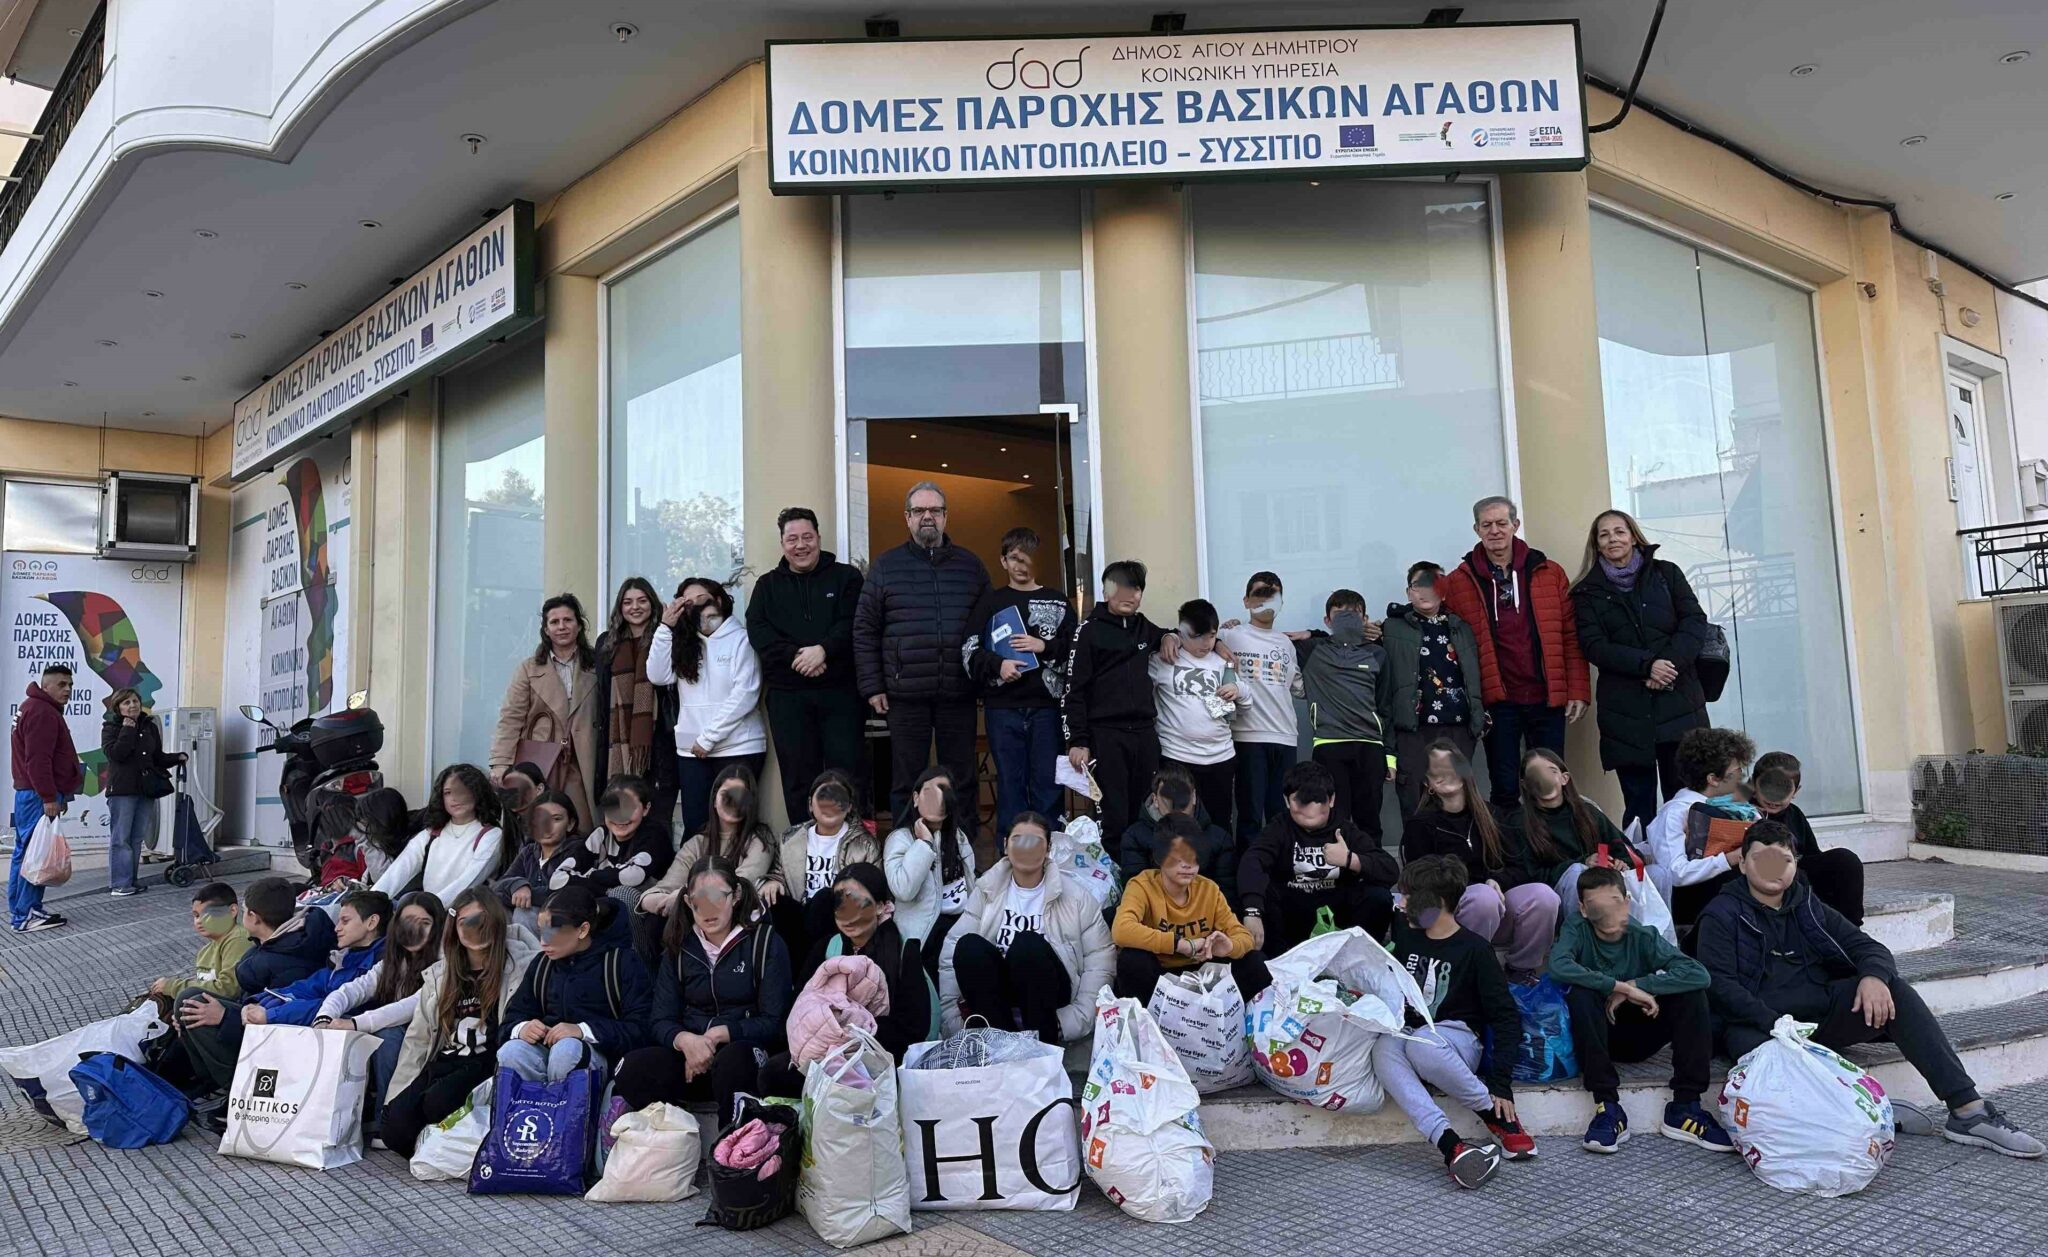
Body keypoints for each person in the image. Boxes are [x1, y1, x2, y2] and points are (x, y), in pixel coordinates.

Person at [1696, 821, 2044, 1158]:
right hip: (1761, 1027)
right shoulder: (1721, 914)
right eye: (1762, 859)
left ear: (1794, 865)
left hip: (1818, 1015)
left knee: (1897, 992)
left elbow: (1868, 947)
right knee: (1765, 1055)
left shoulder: (1807, 905)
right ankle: (1871, 1109)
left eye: (1783, 860)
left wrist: (1874, 977)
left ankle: (1968, 1111)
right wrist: (1778, 1025)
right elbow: (1720, 985)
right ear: (1743, 864)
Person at [1548, 864, 1728, 1155]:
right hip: (1596, 1035)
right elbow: (1558, 965)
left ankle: (1686, 1105)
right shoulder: (1577, 928)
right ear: (1583, 909)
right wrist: (1618, 987)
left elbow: (1698, 974)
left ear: (1626, 902)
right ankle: (1608, 1107)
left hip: (1641, 1029)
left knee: (1691, 995)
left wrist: (1639, 984)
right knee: (1581, 994)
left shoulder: (1642, 935)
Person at [1375, 855, 1529, 1187]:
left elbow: (1505, 1017)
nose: (1401, 904)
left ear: (1437, 902)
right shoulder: (1406, 935)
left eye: (1408, 896)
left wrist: (1500, 1085)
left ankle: (1494, 1114)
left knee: (1423, 1047)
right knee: (1382, 1049)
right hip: (1411, 1032)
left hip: (1455, 1041)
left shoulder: (1475, 949)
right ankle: (1451, 1146)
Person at [1436, 496, 1590, 809]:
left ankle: (1552, 840)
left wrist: (1577, 690)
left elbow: (1570, 636)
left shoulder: (1549, 572)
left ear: (1515, 525)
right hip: (1498, 701)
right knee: (1504, 787)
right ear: (1476, 529)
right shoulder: (1458, 581)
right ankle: (1509, 842)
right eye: (1486, 525)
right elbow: (1431, 619)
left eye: (1501, 523)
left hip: (1546, 696)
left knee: (1550, 785)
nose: (1494, 531)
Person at [613, 860, 792, 1126]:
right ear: (687, 901)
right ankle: (673, 1134)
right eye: (699, 900)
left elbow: (775, 1022)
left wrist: (718, 1035)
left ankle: (731, 1142)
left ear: (736, 895)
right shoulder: (679, 947)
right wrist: (686, 1041)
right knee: (632, 1067)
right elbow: (660, 1019)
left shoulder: (765, 943)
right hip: (690, 1059)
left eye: (717, 897)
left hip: (744, 1055)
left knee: (735, 1060)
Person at [854, 481, 991, 823]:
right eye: (919, 510)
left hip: (958, 691)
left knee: (961, 778)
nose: (927, 516)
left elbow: (989, 627)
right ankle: (904, 847)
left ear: (945, 517)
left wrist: (984, 678)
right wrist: (873, 686)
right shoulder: (885, 567)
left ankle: (961, 847)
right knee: (906, 781)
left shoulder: (971, 566)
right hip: (904, 695)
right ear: (907, 518)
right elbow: (865, 629)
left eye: (935, 510)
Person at [1572, 510, 1712, 827]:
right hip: (1626, 715)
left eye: (1619, 531)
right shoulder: (1585, 592)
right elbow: (1594, 646)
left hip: (1679, 704)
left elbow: (1694, 622)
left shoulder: (1667, 574)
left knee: (1687, 806)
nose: (1613, 539)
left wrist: (1668, 666)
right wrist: (1648, 666)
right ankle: (1641, 861)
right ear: (1596, 543)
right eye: (1604, 534)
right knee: (1638, 810)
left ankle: (1687, 861)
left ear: (1633, 537)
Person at [381, 890, 540, 1158]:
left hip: (488, 1062)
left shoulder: (520, 966)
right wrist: (396, 1096)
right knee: (393, 1130)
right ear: (454, 927)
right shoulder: (442, 974)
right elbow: (418, 1040)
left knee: (436, 1103)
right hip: (446, 1059)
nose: (474, 928)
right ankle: (438, 1144)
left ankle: (445, 1141)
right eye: (465, 921)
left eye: (481, 920)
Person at [940, 812, 1114, 1045]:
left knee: (1027, 946)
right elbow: (952, 951)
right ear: (1005, 845)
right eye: (1018, 840)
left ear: (1048, 849)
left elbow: (1099, 962)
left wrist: (1071, 1021)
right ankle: (1001, 1046)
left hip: (1049, 996)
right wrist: (954, 1022)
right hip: (998, 997)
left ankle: (1041, 1047)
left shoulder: (1077, 898)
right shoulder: (987, 890)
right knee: (968, 947)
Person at [749, 507, 867, 826]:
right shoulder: (767, 586)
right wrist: (798, 657)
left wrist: (824, 650)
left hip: (841, 695)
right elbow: (759, 632)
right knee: (798, 777)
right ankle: (804, 843)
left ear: (818, 538)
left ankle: (852, 841)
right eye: (792, 539)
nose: (800, 545)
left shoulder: (847, 578)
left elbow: (853, 623)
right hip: (788, 697)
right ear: (782, 543)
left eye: (807, 537)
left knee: (848, 772)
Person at [1402, 741, 1558, 981]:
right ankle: (1470, 971)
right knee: (1483, 898)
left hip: (1498, 908)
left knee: (1544, 896)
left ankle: (1521, 970)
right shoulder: (1420, 825)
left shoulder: (1493, 815)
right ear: (1428, 783)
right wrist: (1470, 888)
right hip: (1450, 916)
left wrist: (1497, 880)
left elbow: (1522, 867)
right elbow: (1418, 883)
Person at [172, 877, 337, 1096]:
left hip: (271, 1046)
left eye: (244, 911)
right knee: (188, 1002)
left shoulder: (290, 958)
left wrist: (226, 1016)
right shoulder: (277, 943)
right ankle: (205, 1081)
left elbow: (281, 1023)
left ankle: (238, 1090)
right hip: (251, 1020)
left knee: (193, 1001)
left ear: (254, 917)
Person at [964, 526, 1076, 838]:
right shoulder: (991, 603)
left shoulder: (1058, 602)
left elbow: (1078, 652)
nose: (1021, 564)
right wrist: (998, 665)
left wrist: (1045, 647)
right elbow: (969, 651)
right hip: (1003, 709)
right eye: (1014, 557)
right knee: (1010, 787)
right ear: (1003, 561)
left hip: (1047, 709)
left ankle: (1049, 853)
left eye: (1028, 557)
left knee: (1048, 786)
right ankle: (1010, 856)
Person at [1064, 560, 1180, 844]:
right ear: (1106, 591)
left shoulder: (1143, 627)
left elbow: (1175, 634)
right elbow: (1073, 691)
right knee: (1112, 817)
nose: (1130, 595)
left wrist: (1169, 636)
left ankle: (1141, 871)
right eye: (1121, 588)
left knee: (1147, 812)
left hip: (1144, 734)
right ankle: (1114, 872)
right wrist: (1078, 741)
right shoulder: (1088, 630)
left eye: (1136, 588)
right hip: (1106, 736)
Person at [314, 890, 446, 1134]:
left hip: (435, 1040)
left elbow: (411, 1007)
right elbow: (353, 989)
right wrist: (324, 1017)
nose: (415, 929)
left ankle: (385, 1119)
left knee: (388, 1034)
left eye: (425, 923)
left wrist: (356, 1023)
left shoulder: (445, 961)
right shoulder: (394, 960)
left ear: (437, 927)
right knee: (343, 1025)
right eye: (408, 921)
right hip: (404, 1035)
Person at [648, 577, 768, 839]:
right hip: (692, 751)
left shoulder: (742, 639)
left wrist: (709, 738)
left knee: (735, 824)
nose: (696, 606)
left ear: (719, 601)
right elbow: (657, 675)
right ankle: (699, 867)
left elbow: (745, 694)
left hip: (738, 748)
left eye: (701, 599)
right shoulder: (684, 642)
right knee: (696, 826)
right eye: (688, 602)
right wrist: (665, 628)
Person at [499, 883, 654, 1084]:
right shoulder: (541, 965)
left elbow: (642, 1029)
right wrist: (522, 1028)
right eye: (541, 931)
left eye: (553, 931)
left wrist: (583, 1031)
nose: (543, 941)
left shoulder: (621, 962)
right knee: (511, 1052)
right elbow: (510, 1021)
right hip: (546, 1053)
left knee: (567, 1052)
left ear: (582, 930)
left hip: (600, 1059)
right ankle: (528, 1105)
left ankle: (574, 1105)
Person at [1237, 760, 1396, 955]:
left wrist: (1350, 859)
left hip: (1336, 914)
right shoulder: (1279, 827)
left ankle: (1360, 957)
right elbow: (1252, 861)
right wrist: (1252, 911)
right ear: (1287, 801)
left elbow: (1389, 869)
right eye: (1301, 801)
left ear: (1331, 799)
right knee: (1258, 890)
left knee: (1378, 896)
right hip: (1292, 913)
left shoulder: (1344, 829)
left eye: (1318, 800)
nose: (1310, 808)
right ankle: (1277, 962)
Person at [1111, 816, 1268, 1003]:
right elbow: (1121, 930)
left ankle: (1237, 1017)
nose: (1187, 865)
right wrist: (1179, 944)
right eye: (1178, 857)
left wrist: (1229, 946)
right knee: (1132, 961)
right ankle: (1147, 1019)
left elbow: (1244, 937)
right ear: (1159, 857)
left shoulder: (1209, 889)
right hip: (1159, 977)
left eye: (1194, 857)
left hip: (1204, 976)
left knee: (1255, 961)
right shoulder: (1142, 885)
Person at [636, 764, 779, 962]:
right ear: (714, 800)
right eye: (727, 795)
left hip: (735, 918)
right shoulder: (696, 843)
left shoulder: (760, 839)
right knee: (654, 921)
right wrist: (662, 900)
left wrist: (685, 895)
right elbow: (663, 888)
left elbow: (742, 881)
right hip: (693, 916)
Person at [795, 862, 935, 1059]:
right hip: (825, 1050)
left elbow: (914, 1027)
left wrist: (857, 1033)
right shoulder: (827, 948)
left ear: (880, 906)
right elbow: (800, 1007)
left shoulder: (903, 952)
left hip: (883, 1056)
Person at [1381, 565, 1485, 820]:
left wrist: (1480, 718)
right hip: (1413, 727)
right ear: (1409, 592)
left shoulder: (1462, 627)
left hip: (1458, 726)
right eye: (1418, 585)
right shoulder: (1391, 628)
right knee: (1414, 799)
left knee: (1458, 799)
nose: (1425, 591)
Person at [491, 592, 600, 831]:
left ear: (579, 625)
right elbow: (511, 718)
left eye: (568, 620)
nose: (562, 627)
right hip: (541, 758)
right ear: (546, 629)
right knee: (538, 823)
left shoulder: (597, 664)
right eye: (554, 622)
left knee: (581, 826)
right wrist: (500, 762)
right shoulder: (528, 669)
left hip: (583, 760)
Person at [1296, 589, 1396, 838]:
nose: (1347, 621)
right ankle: (1336, 864)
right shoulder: (1311, 649)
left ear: (1365, 619)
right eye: (1340, 615)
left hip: (1370, 747)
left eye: (1353, 615)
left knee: (1369, 820)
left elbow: (1386, 706)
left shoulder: (1378, 653)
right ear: (1328, 620)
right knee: (1332, 819)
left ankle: (1370, 862)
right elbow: (1265, 640)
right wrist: (1225, 635)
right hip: (1329, 744)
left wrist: (1390, 757)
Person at [1503, 748, 1638, 918]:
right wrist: (1582, 863)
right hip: (1552, 900)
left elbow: (1625, 849)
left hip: (1602, 884)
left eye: (1552, 771)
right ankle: (1579, 932)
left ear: (1564, 778)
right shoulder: (1519, 822)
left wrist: (1621, 863)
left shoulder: (1588, 812)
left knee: (1657, 873)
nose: (1545, 779)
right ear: (1525, 784)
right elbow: (1528, 874)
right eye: (1535, 775)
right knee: (1577, 872)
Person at [1221, 571, 1302, 847]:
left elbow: (1298, 688)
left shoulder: (1286, 644)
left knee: (1282, 815)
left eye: (1273, 595)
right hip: (1248, 737)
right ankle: (1249, 872)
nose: (1266, 601)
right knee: (1250, 816)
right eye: (1260, 594)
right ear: (1246, 601)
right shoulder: (1229, 635)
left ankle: (1279, 871)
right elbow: (1196, 641)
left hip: (1285, 737)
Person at [593, 576, 680, 831]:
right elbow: (603, 693)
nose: (635, 607)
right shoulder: (606, 643)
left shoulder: (665, 637)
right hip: (617, 742)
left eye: (642, 601)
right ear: (620, 607)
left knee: (658, 818)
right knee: (621, 812)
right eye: (628, 602)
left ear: (652, 603)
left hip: (659, 742)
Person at [1644, 727, 1754, 927]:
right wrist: (1729, 858)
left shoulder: (1735, 804)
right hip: (1699, 912)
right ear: (1713, 779)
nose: (1742, 777)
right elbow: (1675, 873)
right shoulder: (1675, 813)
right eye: (1737, 771)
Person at [1151, 598, 1244, 829]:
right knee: (1176, 825)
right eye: (1197, 636)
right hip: (1177, 756)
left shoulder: (1222, 662)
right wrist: (1168, 637)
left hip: (1220, 756)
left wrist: (1238, 690)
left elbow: (1246, 700)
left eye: (1211, 636)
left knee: (1218, 825)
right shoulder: (1162, 659)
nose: (1205, 643)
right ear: (1181, 632)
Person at [242, 888, 390, 1026]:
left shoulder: (383, 963)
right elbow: (307, 987)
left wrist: (271, 1014)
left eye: (345, 921)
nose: (337, 928)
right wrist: (259, 1002)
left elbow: (332, 1007)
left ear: (372, 922)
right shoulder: (344, 958)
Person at [883, 766, 979, 975]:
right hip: (925, 933)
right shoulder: (900, 839)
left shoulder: (959, 837)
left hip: (961, 924)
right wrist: (924, 844)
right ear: (916, 799)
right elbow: (903, 890)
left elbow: (972, 887)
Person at [776, 768, 884, 947]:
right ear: (811, 804)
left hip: (838, 921)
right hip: (799, 918)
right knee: (776, 902)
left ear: (849, 806)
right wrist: (772, 881)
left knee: (824, 898)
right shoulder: (790, 838)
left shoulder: (865, 844)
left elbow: (874, 890)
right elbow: (777, 873)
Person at [1752, 752, 1865, 923]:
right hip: (1768, 878)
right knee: (1792, 872)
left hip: (1800, 874)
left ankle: (1849, 928)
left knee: (1845, 861)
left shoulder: (1794, 814)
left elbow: (1813, 855)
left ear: (1795, 791)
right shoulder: (1745, 814)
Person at [373, 763, 506, 905]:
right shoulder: (430, 835)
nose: (454, 798)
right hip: (429, 912)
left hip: (466, 912)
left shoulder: (491, 835)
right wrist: (370, 900)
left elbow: (470, 880)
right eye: (447, 793)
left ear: (477, 793)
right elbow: (398, 871)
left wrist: (431, 907)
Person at [10, 663, 79, 931]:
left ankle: (23, 910)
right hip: (37, 795)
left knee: (26, 853)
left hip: (30, 793)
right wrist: (49, 797)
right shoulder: (42, 712)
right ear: (45, 685)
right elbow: (38, 760)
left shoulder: (33, 707)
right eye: (61, 684)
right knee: (35, 854)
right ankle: (25, 914)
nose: (68, 689)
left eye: (70, 685)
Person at [100, 686, 186, 897]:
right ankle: (120, 884)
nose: (132, 706)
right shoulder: (111, 728)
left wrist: (177, 758)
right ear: (118, 708)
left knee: (137, 837)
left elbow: (157, 757)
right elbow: (117, 754)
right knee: (121, 838)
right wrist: (127, 730)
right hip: (122, 790)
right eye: (126, 702)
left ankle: (132, 880)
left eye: (135, 701)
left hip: (145, 789)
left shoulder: (149, 726)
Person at [548, 774, 675, 907]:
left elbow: (634, 875)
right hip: (599, 905)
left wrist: (590, 876)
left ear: (645, 809)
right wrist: (603, 889)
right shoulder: (601, 834)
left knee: (623, 894)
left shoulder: (654, 835)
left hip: (647, 911)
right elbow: (557, 879)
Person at [1117, 767, 1236, 905]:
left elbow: (1226, 899)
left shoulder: (1219, 840)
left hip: (1204, 912)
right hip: (1153, 911)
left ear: (1193, 797)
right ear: (1155, 800)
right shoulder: (1135, 837)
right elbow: (1135, 892)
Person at [146, 882, 252, 1007]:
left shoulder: (238, 939)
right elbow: (204, 985)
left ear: (232, 911)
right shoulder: (206, 951)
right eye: (196, 915)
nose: (199, 921)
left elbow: (228, 989)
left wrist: (173, 986)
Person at [494, 788, 580, 932]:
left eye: (556, 819)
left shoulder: (578, 850)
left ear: (570, 824)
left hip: (563, 923)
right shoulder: (528, 852)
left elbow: (565, 892)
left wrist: (528, 893)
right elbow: (500, 886)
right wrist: (518, 885)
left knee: (524, 912)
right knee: (492, 908)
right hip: (530, 922)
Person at [353, 787, 415, 886]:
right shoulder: (384, 845)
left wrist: (367, 841)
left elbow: (384, 881)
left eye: (367, 822)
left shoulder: (412, 847)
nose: (365, 828)